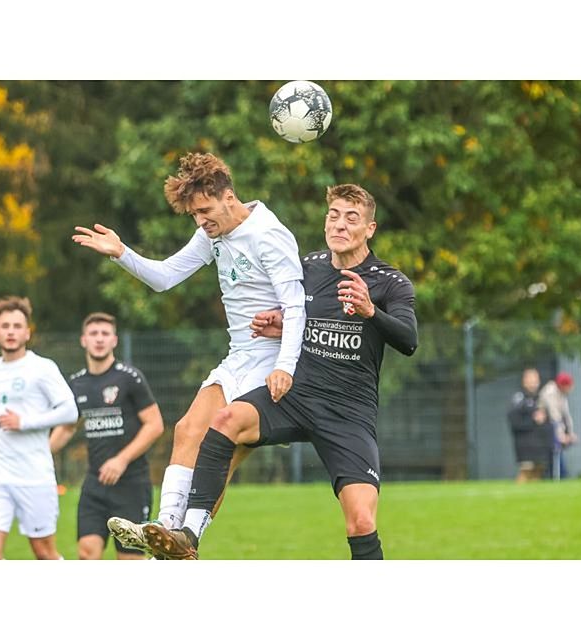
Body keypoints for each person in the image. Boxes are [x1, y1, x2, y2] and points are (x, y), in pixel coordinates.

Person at [140, 183, 418, 560]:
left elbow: (408, 340)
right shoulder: (309, 268)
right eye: (333, 215)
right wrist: (279, 322)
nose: (339, 225)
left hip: (347, 414)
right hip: (295, 395)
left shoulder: (389, 282)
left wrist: (372, 312)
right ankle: (187, 535)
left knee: (361, 522)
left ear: (370, 228)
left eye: (351, 218)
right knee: (225, 419)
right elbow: (294, 309)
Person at [72, 152, 306, 552]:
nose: (200, 221)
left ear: (228, 196)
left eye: (205, 211)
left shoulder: (268, 234)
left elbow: (296, 305)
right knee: (186, 430)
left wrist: (285, 366)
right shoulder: (210, 234)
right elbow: (165, 277)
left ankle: (187, 536)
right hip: (238, 358)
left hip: (270, 361)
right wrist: (122, 253)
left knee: (217, 456)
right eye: (194, 215)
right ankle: (163, 529)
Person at [0, 296, 79, 559]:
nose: (11, 331)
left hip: (34, 475)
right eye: (5, 326)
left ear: (27, 332)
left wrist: (25, 423)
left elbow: (70, 411)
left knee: (44, 553)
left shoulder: (42, 368)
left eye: (17, 326)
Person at [49, 312, 165, 559]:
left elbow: (154, 425)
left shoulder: (129, 377)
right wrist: (40, 454)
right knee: (86, 554)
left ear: (114, 340)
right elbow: (68, 427)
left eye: (105, 334)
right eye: (93, 334)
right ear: (83, 340)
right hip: (95, 484)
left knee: (130, 559)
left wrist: (121, 460)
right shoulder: (76, 383)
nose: (99, 339)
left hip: (132, 484)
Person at [507, 368, 552, 483]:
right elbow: (514, 421)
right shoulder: (519, 399)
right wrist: (533, 420)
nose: (533, 382)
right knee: (526, 470)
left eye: (535, 379)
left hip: (540, 444)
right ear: (524, 381)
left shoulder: (541, 399)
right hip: (525, 444)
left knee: (538, 471)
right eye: (530, 379)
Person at [539, 372, 577, 479]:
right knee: (554, 453)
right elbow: (554, 416)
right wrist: (560, 435)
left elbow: (566, 415)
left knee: (557, 453)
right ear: (563, 386)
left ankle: (561, 475)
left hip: (554, 427)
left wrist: (570, 433)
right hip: (545, 428)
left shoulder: (562, 393)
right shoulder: (550, 392)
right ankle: (559, 476)